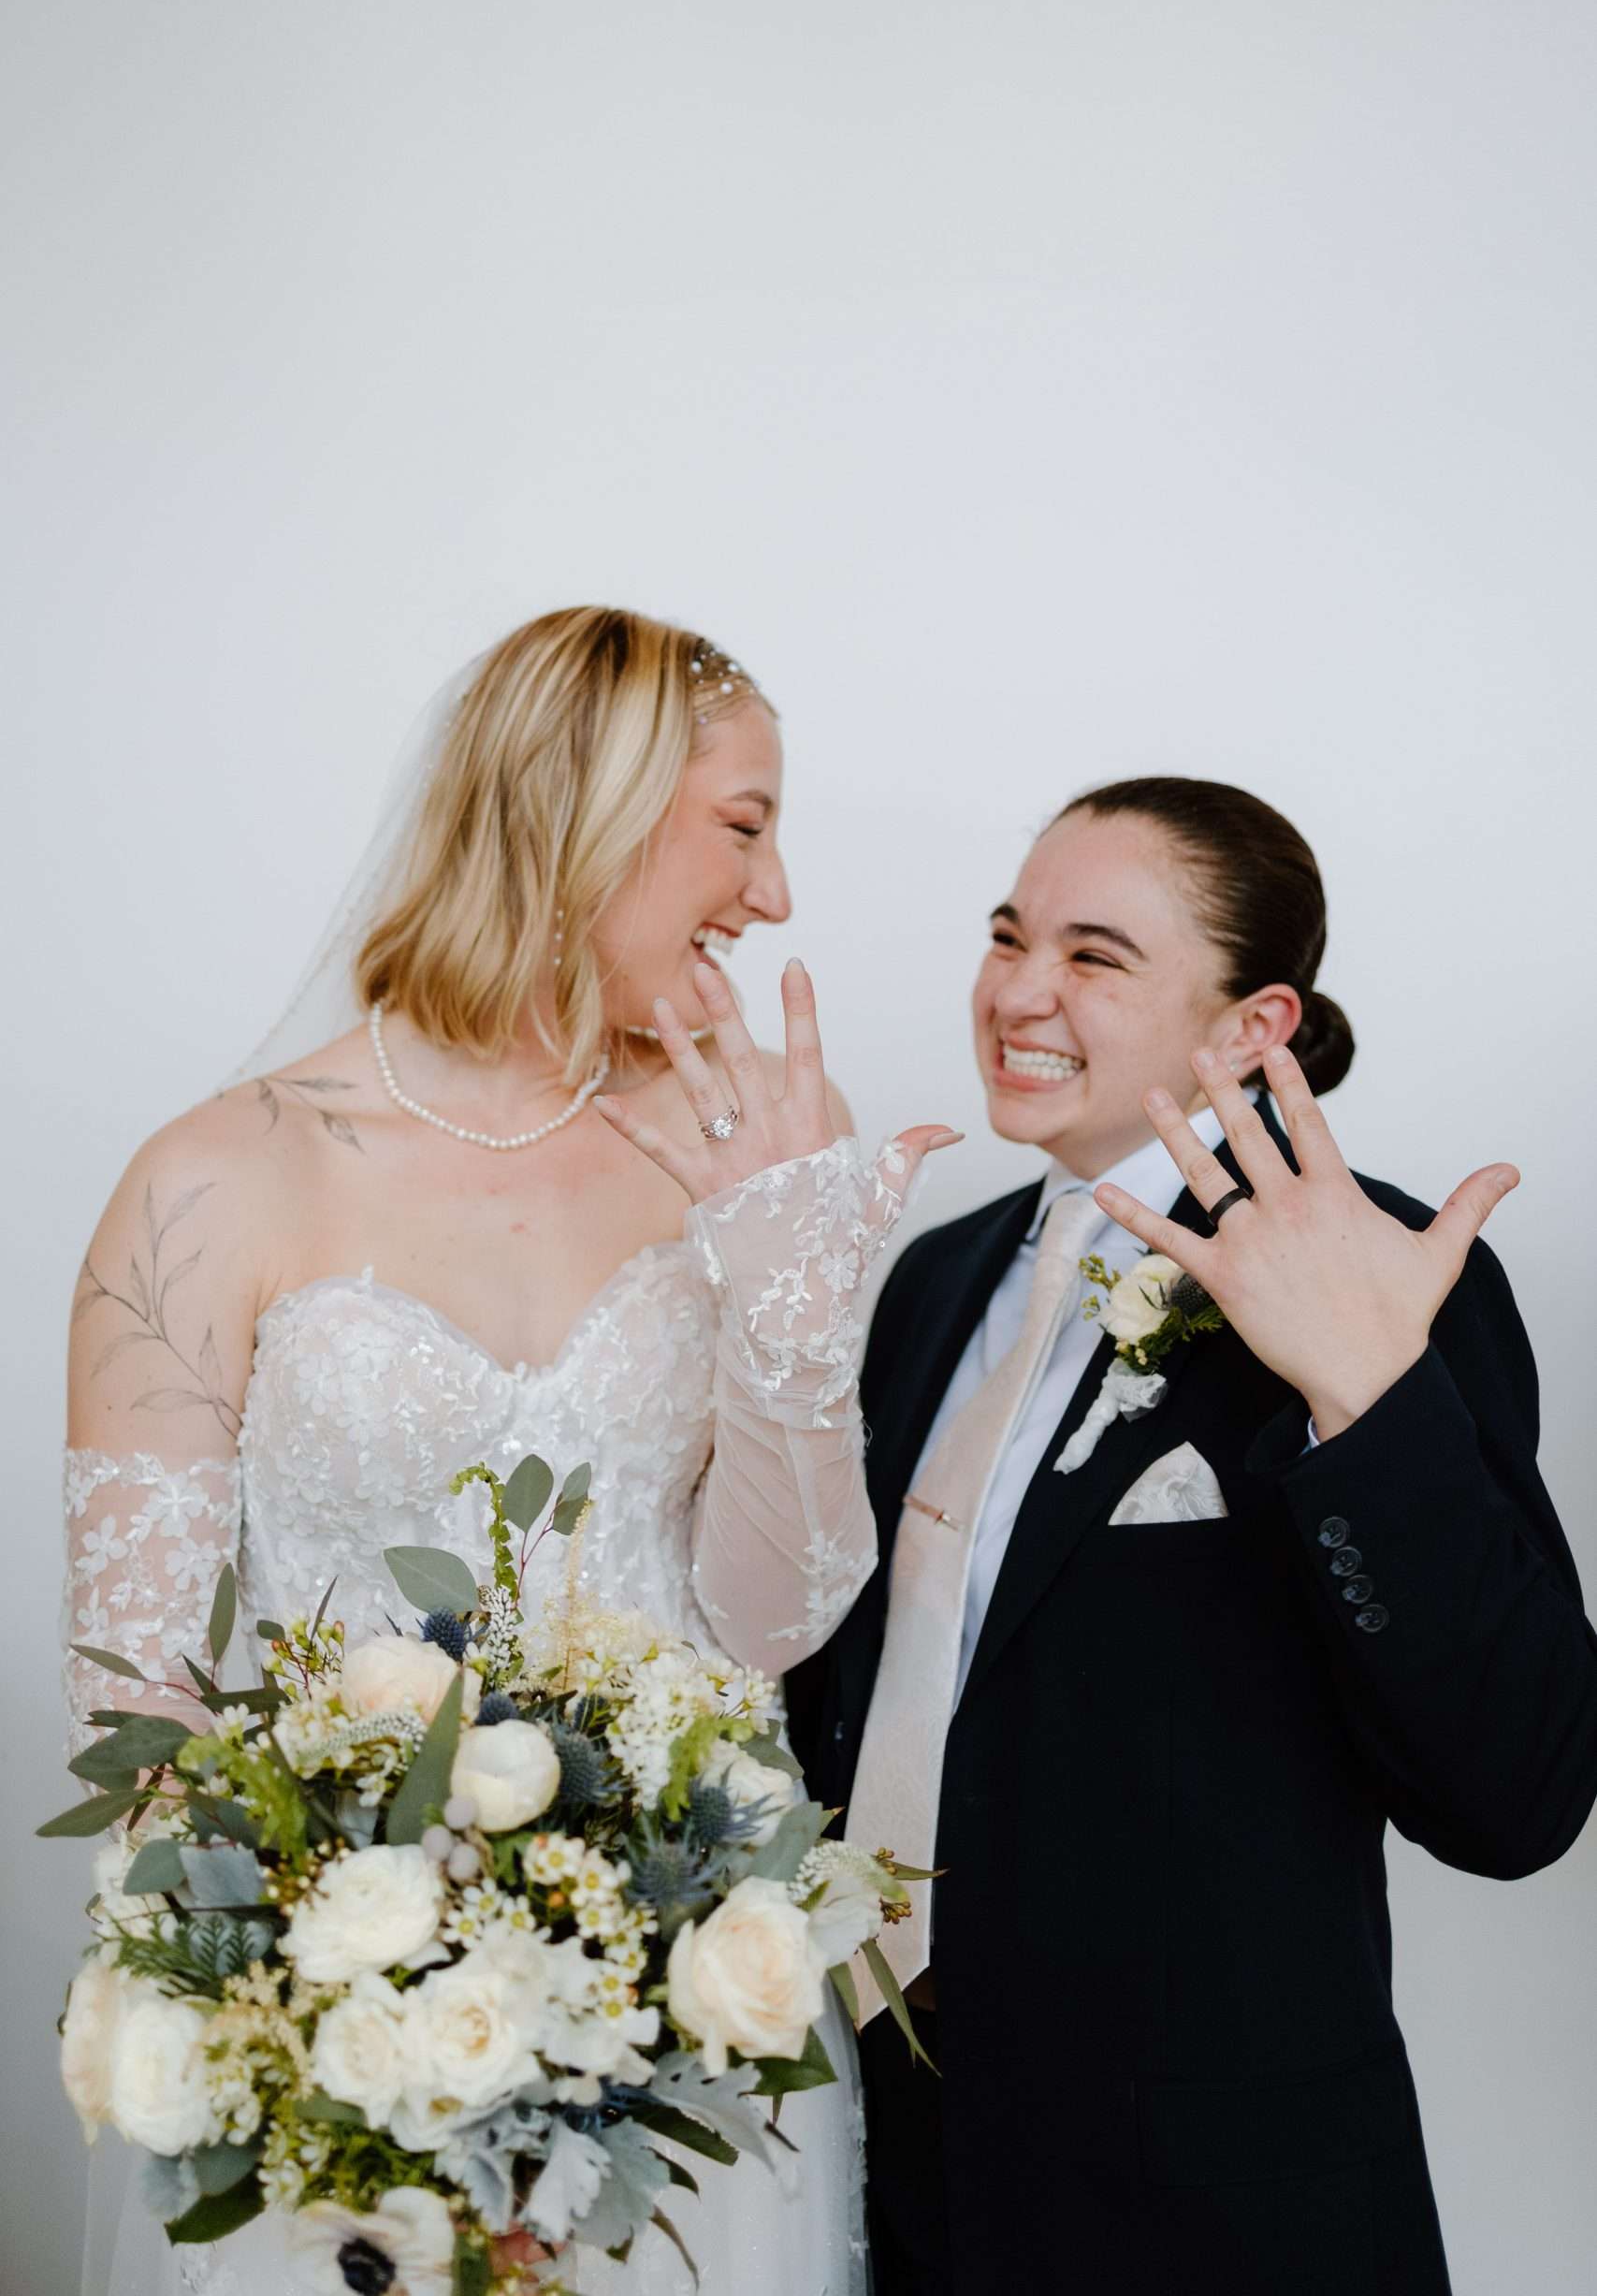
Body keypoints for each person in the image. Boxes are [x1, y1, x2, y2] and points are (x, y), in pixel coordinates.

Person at [62, 604, 955, 2296]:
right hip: (341, 2031)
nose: (774, 901)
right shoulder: (215, 1177)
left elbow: (774, 1627)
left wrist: (787, 1305)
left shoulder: (757, 1133)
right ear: (587, 808)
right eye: (746, 829)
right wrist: (358, 2015)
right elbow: (136, 1713)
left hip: (697, 2017)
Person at [786, 776, 1597, 2296]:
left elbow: (1519, 1795)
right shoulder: (931, 1283)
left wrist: (1363, 1401)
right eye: (1009, 934)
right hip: (898, 2158)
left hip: (1214, 2200)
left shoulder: (1381, 1279)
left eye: (1095, 956)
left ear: (1252, 1029)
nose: (1020, 990)